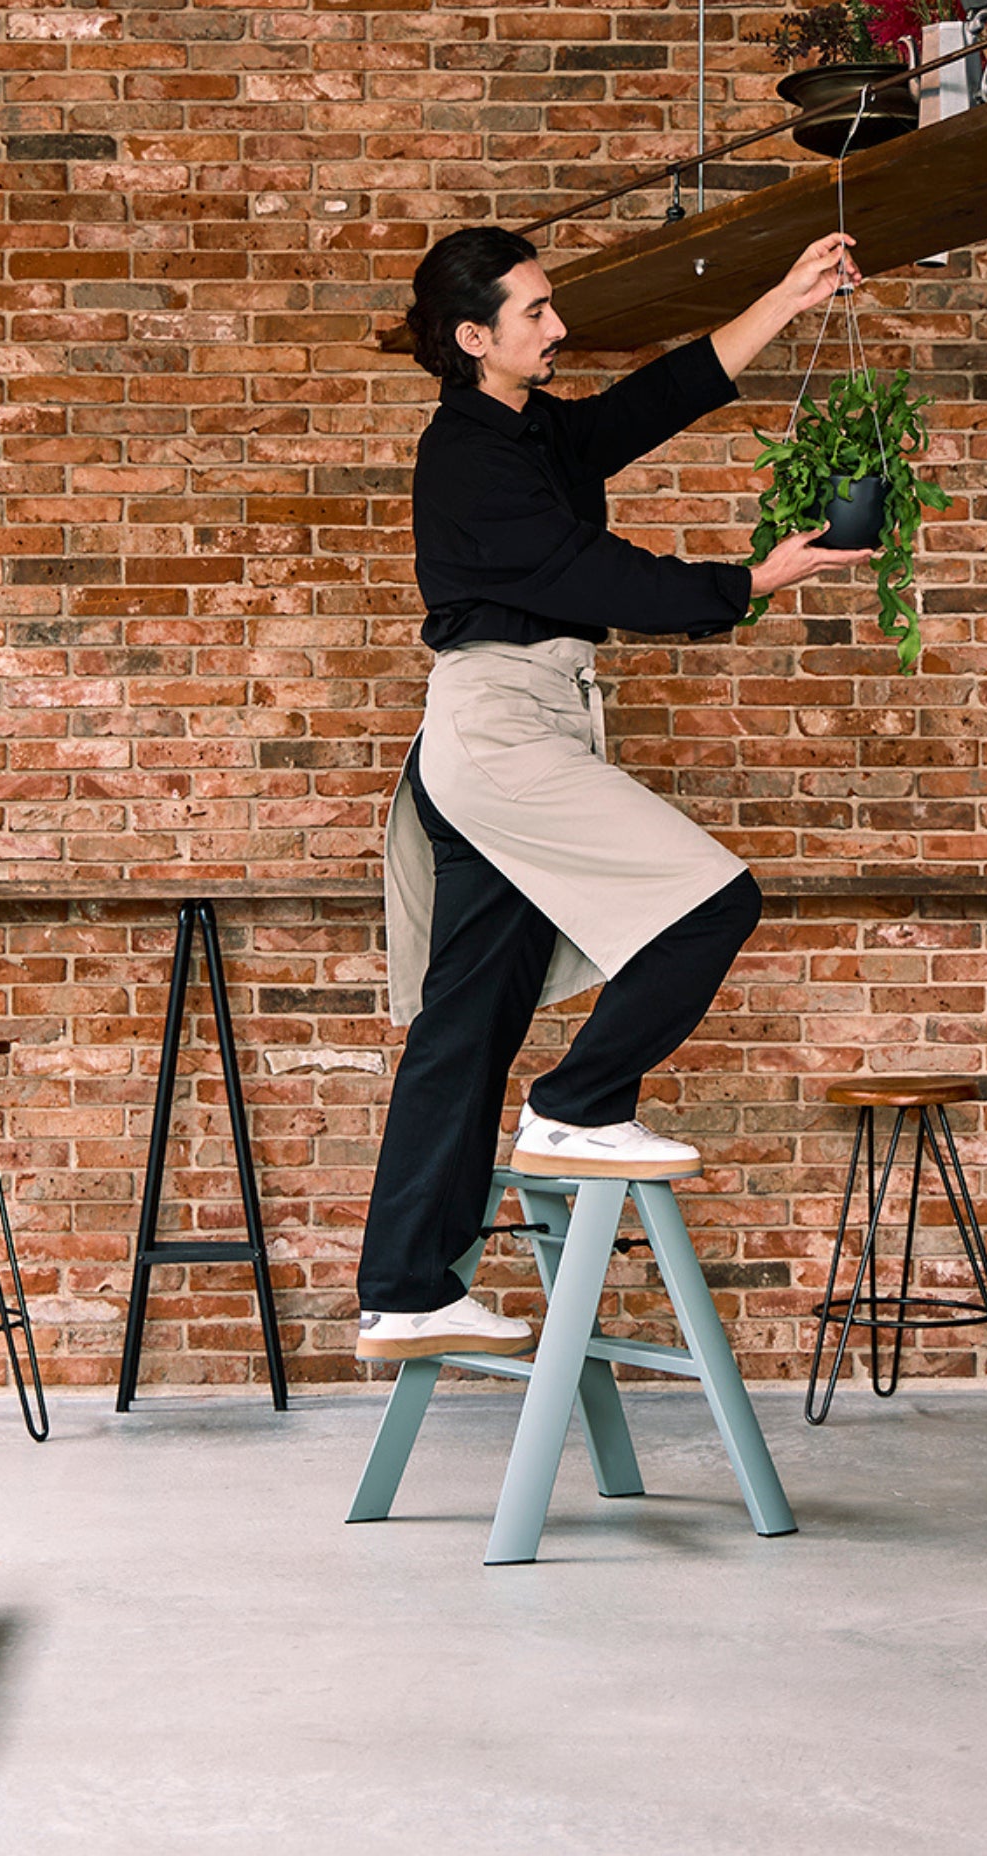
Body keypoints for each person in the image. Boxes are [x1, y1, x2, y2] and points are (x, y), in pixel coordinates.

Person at [355, 224, 871, 1360]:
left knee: (468, 1024)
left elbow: (656, 400)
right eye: (534, 313)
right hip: (502, 733)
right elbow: (590, 574)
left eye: (551, 305)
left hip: (510, 727)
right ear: (472, 336)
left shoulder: (531, 430)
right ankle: (579, 1105)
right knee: (715, 901)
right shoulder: (467, 456)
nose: (559, 325)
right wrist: (749, 581)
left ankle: (404, 1287)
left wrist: (783, 292)